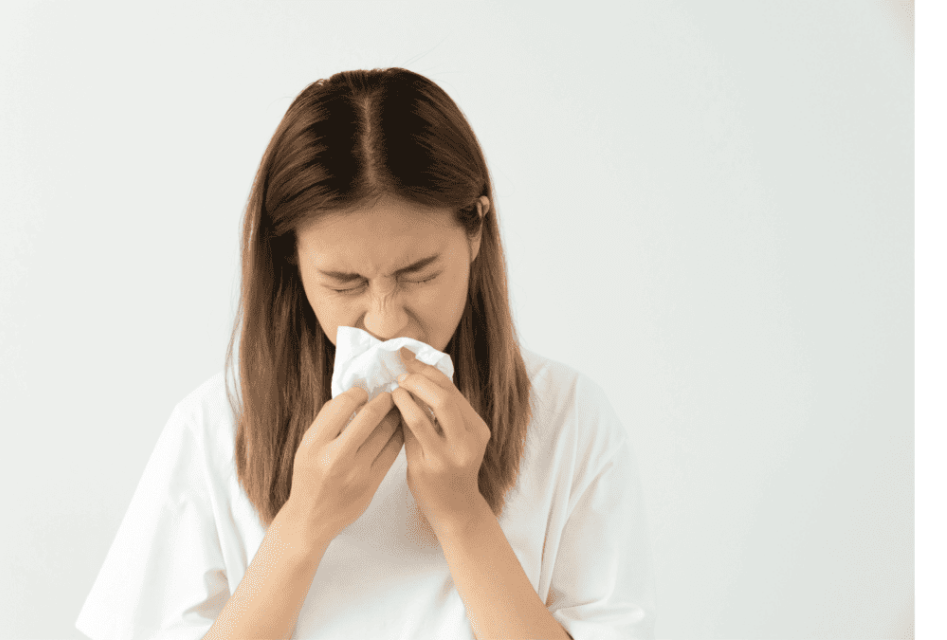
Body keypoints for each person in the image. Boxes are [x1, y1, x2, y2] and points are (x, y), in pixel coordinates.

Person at [75, 67, 656, 640]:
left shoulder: (568, 418)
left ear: (476, 230)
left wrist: (462, 515)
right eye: (345, 282)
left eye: (419, 274)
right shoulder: (214, 428)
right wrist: (303, 525)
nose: (385, 321)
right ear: (290, 256)